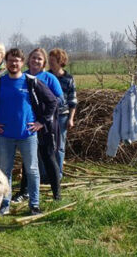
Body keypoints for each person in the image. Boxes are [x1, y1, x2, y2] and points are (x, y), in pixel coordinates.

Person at [0, 48, 58, 216]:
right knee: (5, 171)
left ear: (22, 63)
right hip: (5, 136)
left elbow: (53, 101)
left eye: (17, 61)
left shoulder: (31, 81)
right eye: (10, 60)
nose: (13, 63)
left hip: (27, 135)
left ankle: (34, 205)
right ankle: (4, 204)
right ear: (6, 62)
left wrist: (41, 122)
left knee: (32, 170)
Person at [14, 47, 63, 202]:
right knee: (28, 159)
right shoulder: (21, 77)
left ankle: (57, 194)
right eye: (33, 57)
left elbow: (59, 100)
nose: (36, 61)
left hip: (45, 126)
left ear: (44, 63)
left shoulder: (49, 78)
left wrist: (42, 113)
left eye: (39, 59)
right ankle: (24, 191)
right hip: (28, 125)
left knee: (49, 158)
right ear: (28, 60)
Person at [48, 48, 77, 178]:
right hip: (47, 116)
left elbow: (73, 100)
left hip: (62, 116)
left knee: (59, 147)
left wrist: (71, 118)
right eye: (49, 60)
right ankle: (46, 173)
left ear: (60, 61)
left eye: (53, 60)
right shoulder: (46, 77)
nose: (50, 63)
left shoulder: (68, 79)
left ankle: (57, 174)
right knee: (47, 146)